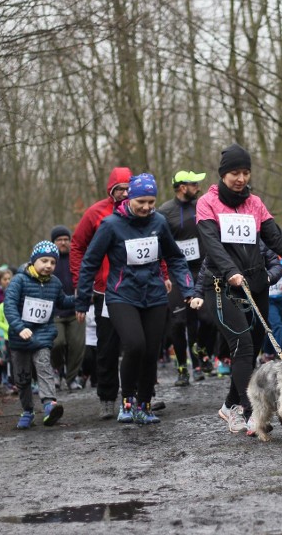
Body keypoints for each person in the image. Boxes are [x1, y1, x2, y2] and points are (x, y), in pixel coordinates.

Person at [196, 143, 282, 435]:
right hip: (223, 286)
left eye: (245, 172)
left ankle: (229, 405)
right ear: (224, 174)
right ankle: (250, 412)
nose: (240, 178)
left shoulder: (255, 203)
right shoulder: (207, 203)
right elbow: (211, 243)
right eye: (235, 173)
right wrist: (231, 272)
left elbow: (277, 240)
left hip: (256, 285)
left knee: (250, 351)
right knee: (243, 346)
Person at [75, 173, 194, 424]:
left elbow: (174, 258)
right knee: (135, 345)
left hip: (154, 295)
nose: (147, 207)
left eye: (151, 202)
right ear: (130, 198)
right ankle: (127, 401)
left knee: (151, 352)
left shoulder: (159, 222)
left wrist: (188, 290)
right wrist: (82, 299)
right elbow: (90, 262)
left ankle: (145, 404)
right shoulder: (110, 225)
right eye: (142, 201)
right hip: (122, 296)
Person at [70, 166, 132, 417]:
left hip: (135, 289)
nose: (125, 194)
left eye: (129, 189)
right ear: (111, 190)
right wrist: (80, 282)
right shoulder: (95, 213)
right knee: (107, 346)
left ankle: (138, 395)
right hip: (104, 291)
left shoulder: (141, 211)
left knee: (138, 344)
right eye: (120, 189)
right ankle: (107, 397)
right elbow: (77, 246)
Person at [4, 241, 75, 429]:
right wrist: (19, 327)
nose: (48, 266)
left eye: (52, 262)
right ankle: (27, 411)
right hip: (20, 338)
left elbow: (63, 301)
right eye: (44, 261)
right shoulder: (19, 280)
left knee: (44, 367)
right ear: (34, 260)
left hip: (42, 336)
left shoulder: (55, 283)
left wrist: (81, 298)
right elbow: (9, 306)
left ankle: (49, 405)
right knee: (22, 377)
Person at [159, 170, 214, 384]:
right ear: (183, 187)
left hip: (201, 269)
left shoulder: (201, 206)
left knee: (207, 319)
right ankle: (184, 368)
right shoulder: (164, 212)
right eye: (194, 184)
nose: (198, 188)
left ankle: (200, 351)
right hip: (176, 272)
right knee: (178, 322)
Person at [49, 225, 85, 391]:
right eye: (59, 240)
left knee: (77, 345)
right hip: (55, 310)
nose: (63, 243)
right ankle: (56, 370)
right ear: (53, 242)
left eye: (66, 239)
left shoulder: (77, 258)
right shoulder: (48, 260)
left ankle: (72, 378)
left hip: (76, 308)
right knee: (57, 342)